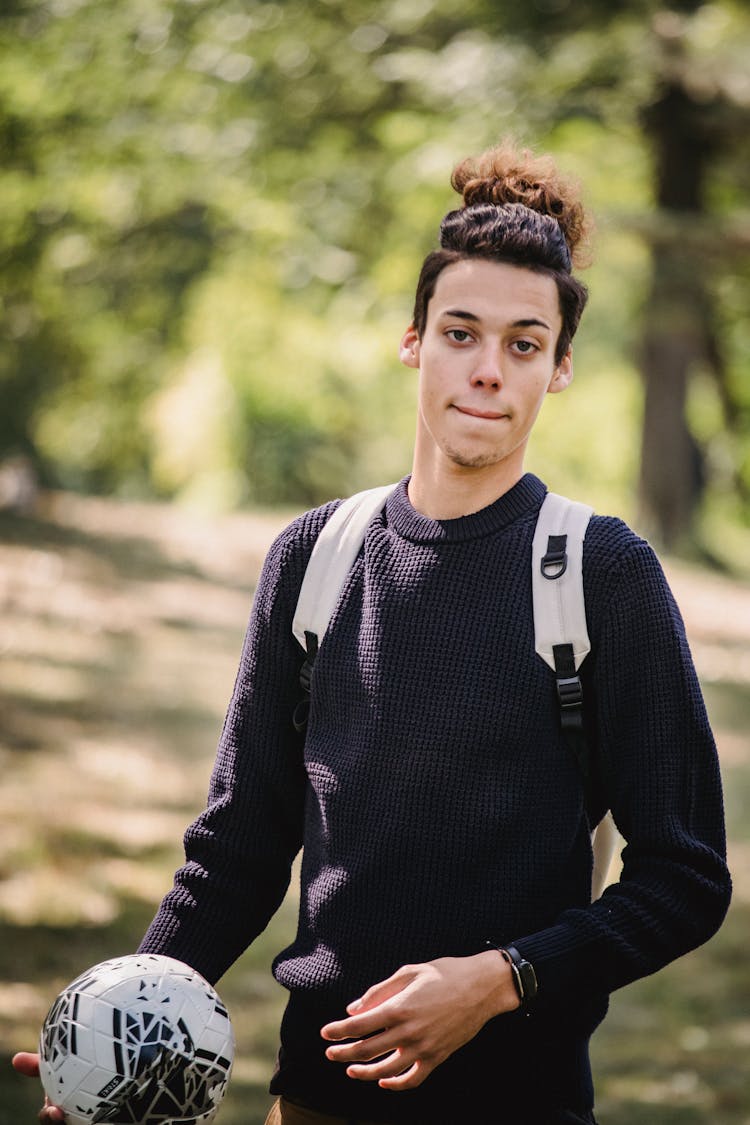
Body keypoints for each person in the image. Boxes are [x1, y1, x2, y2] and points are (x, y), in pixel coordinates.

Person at [14, 141, 731, 1124]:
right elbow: (239, 845)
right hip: (314, 1097)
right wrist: (120, 1024)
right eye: (460, 333)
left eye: (524, 344)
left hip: (522, 1103)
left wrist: (502, 979)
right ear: (413, 341)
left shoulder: (604, 574)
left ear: (560, 368)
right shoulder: (316, 556)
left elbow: (684, 876)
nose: (487, 370)